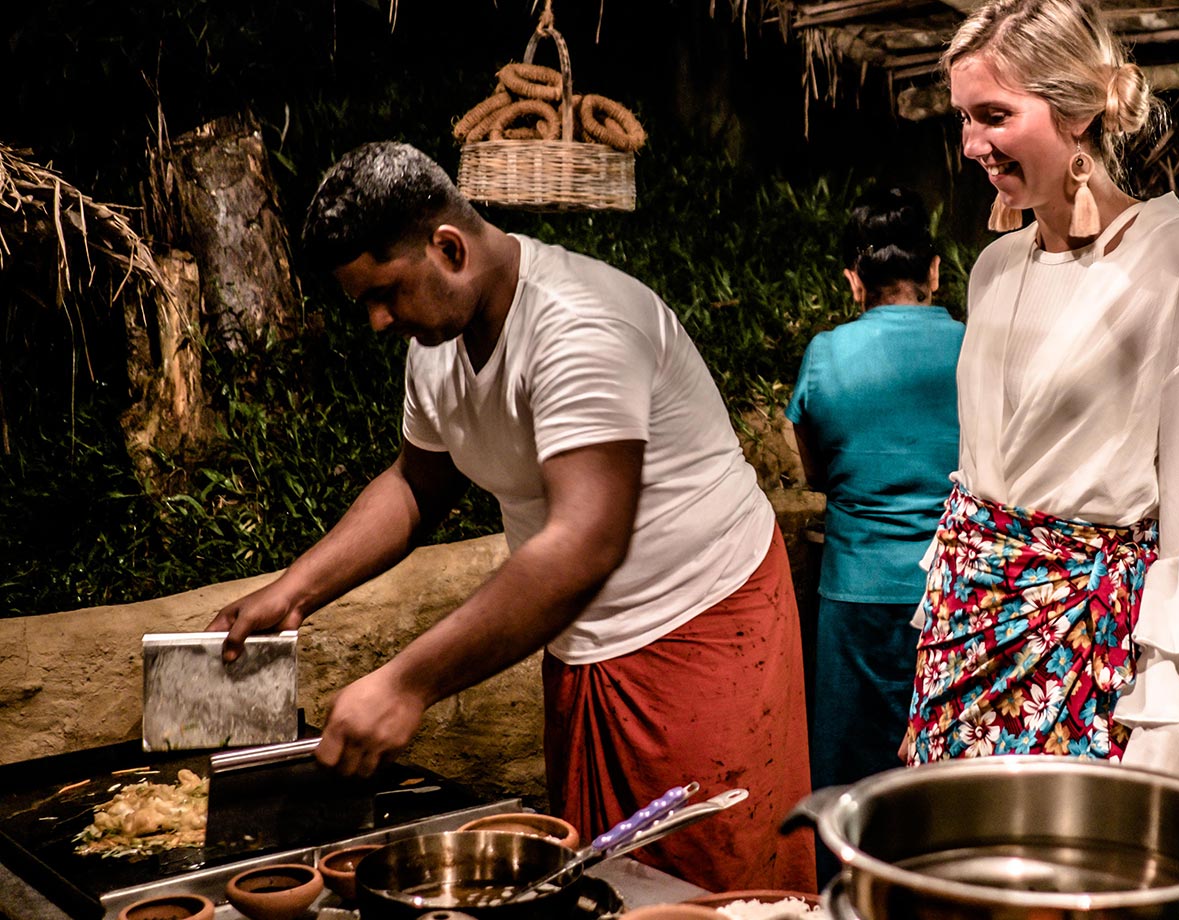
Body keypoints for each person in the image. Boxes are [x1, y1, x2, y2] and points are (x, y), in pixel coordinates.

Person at [210, 141, 813, 891]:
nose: (376, 320)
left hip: (700, 627)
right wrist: (295, 590)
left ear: (449, 247)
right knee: (605, 878)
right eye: (363, 300)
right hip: (578, 640)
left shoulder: (580, 327)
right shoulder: (437, 335)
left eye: (385, 293)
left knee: (711, 885)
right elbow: (415, 485)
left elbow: (581, 547)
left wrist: (406, 684)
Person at [902, 0, 1179, 788]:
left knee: (1068, 896)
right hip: (963, 639)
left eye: (994, 116)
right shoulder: (994, 269)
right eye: (962, 118)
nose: (971, 145)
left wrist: (1171, 725)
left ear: (1079, 112)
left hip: (1088, 652)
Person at [786, 187, 963, 792]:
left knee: (851, 788)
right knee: (948, 783)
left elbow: (816, 473)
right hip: (956, 594)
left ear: (854, 280)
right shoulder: (976, 348)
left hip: (854, 596)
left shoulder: (825, 354)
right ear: (935, 272)